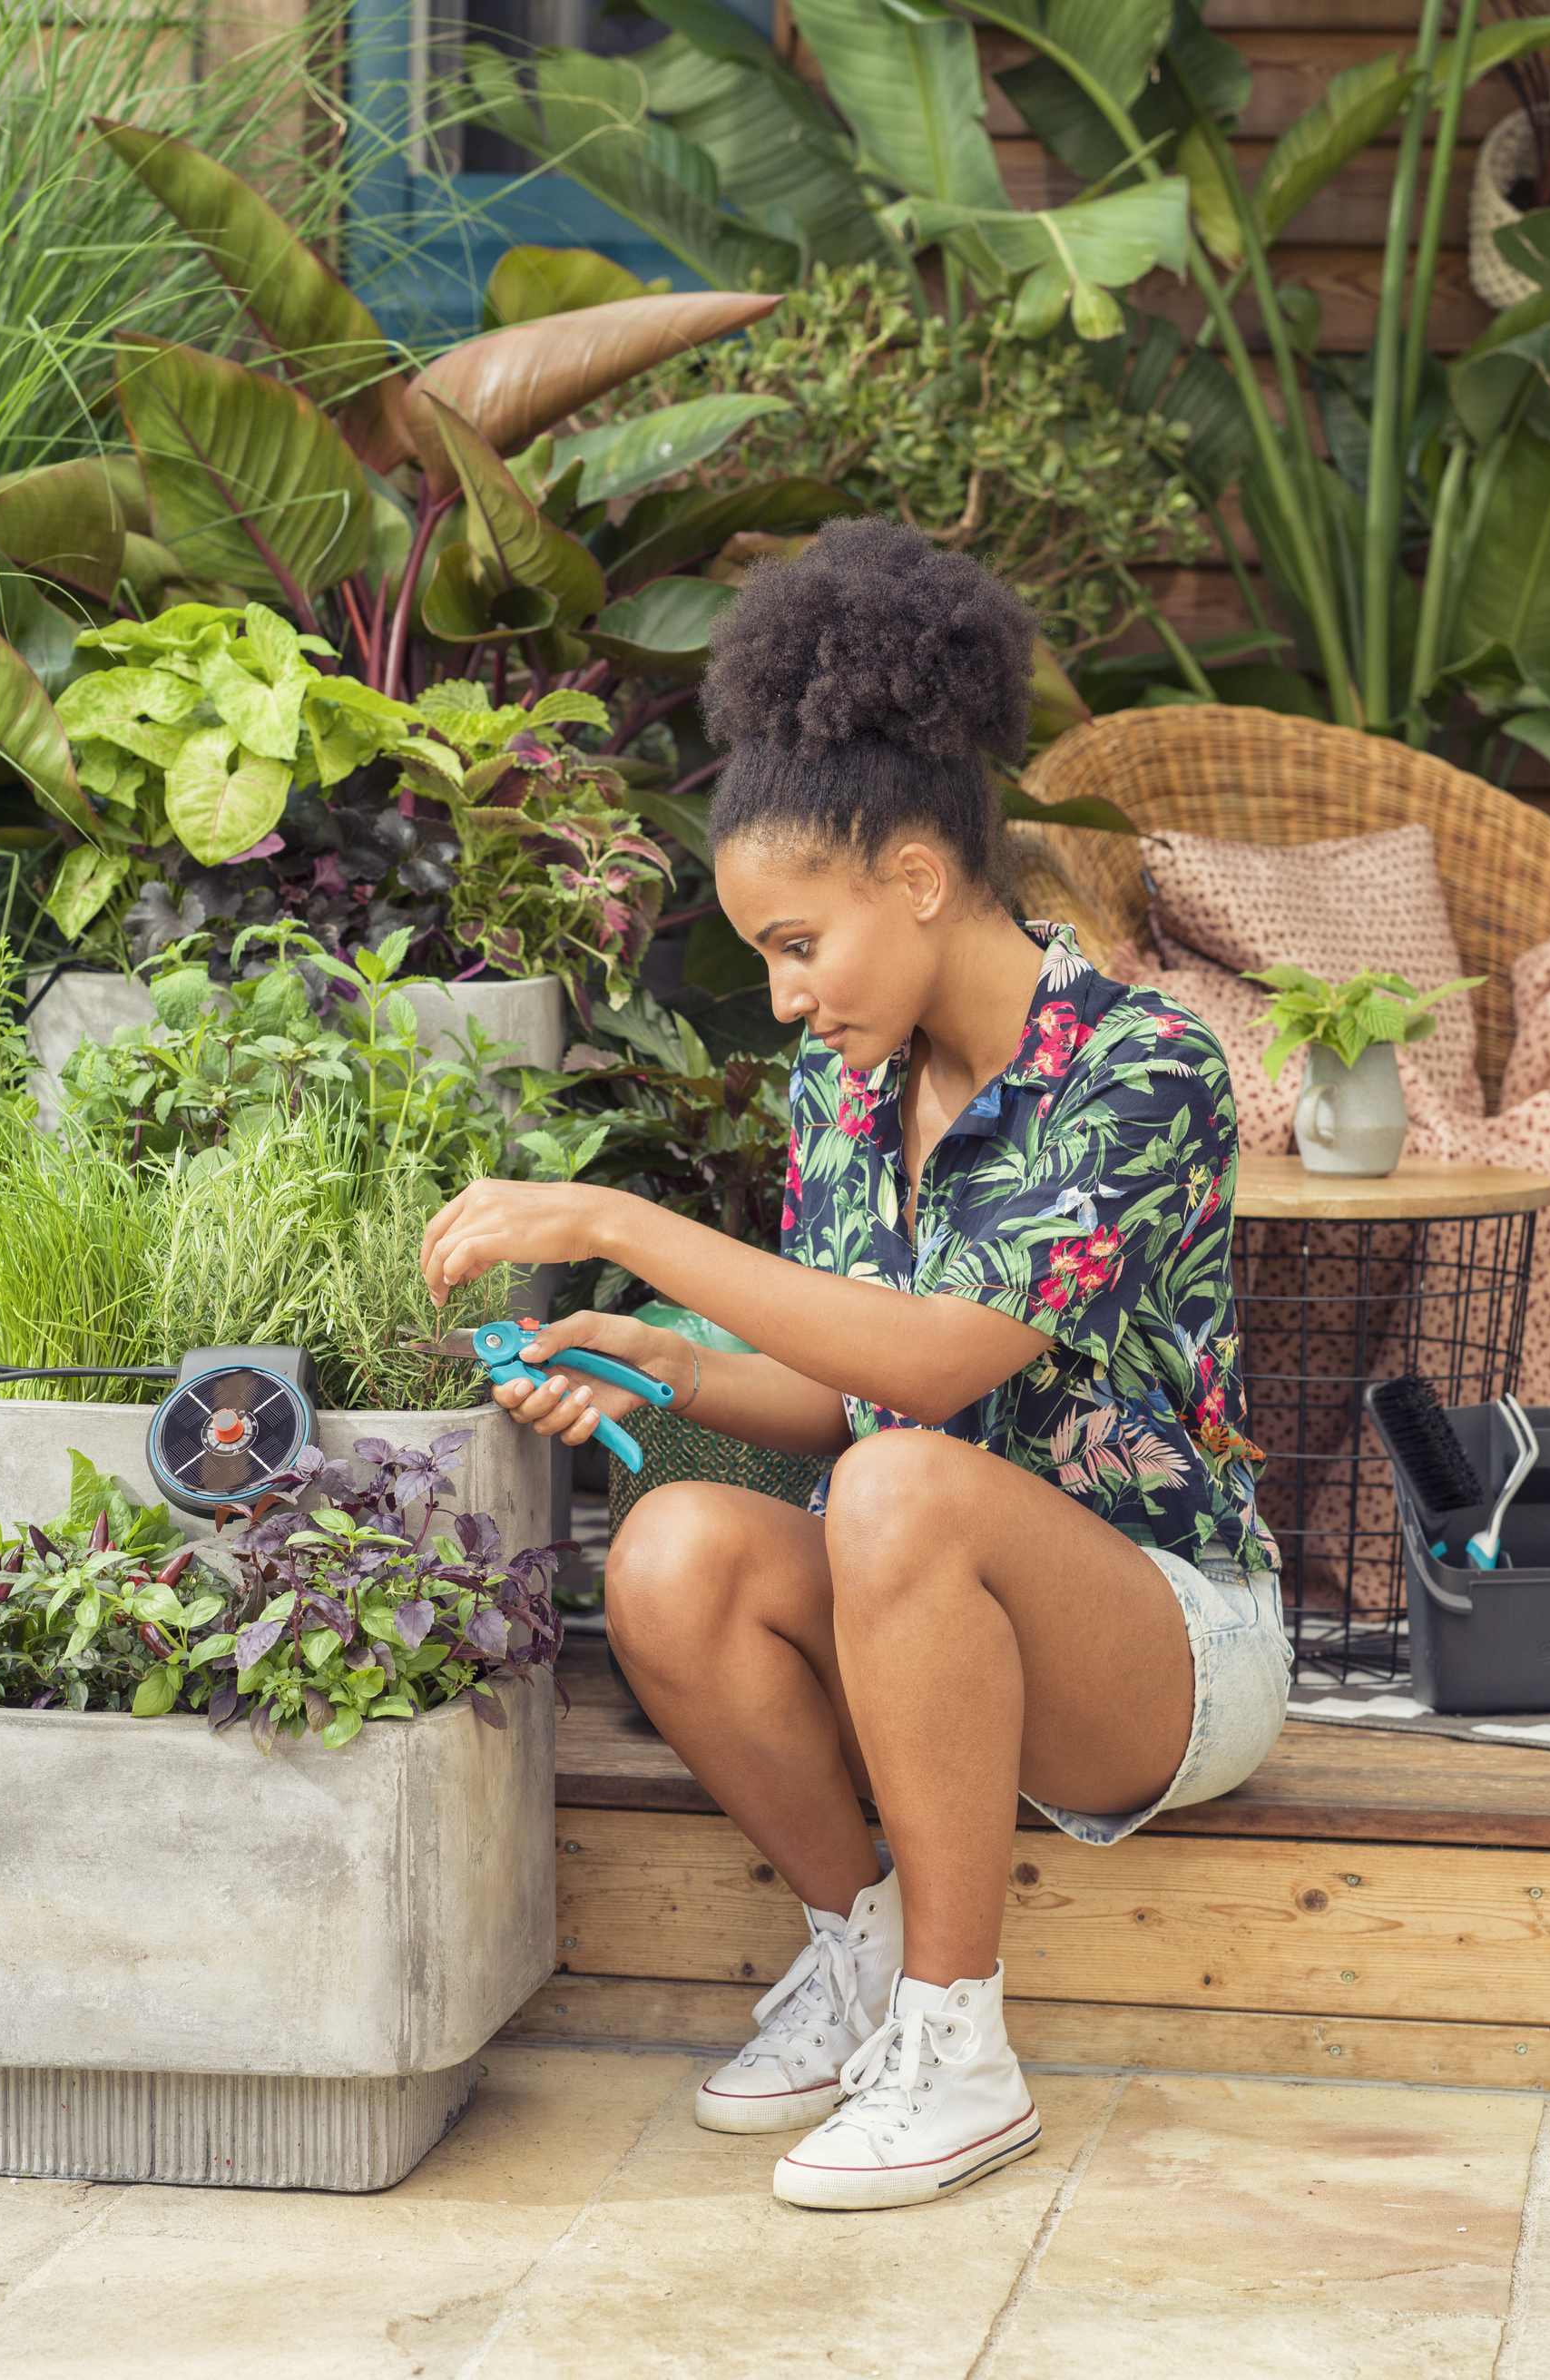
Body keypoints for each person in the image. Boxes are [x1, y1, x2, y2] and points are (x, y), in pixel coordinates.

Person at [417, 518, 1285, 2212]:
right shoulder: (846, 1090)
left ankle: (963, 2053)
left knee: (896, 1486)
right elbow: (837, 1394)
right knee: (672, 1551)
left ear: (917, 874)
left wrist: (625, 1218)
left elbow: (937, 1373)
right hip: (924, 1593)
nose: (784, 994)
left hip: (1165, 1642)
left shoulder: (1140, 1063)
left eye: (797, 945)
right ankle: (867, 1957)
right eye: (763, 959)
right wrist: (647, 1362)